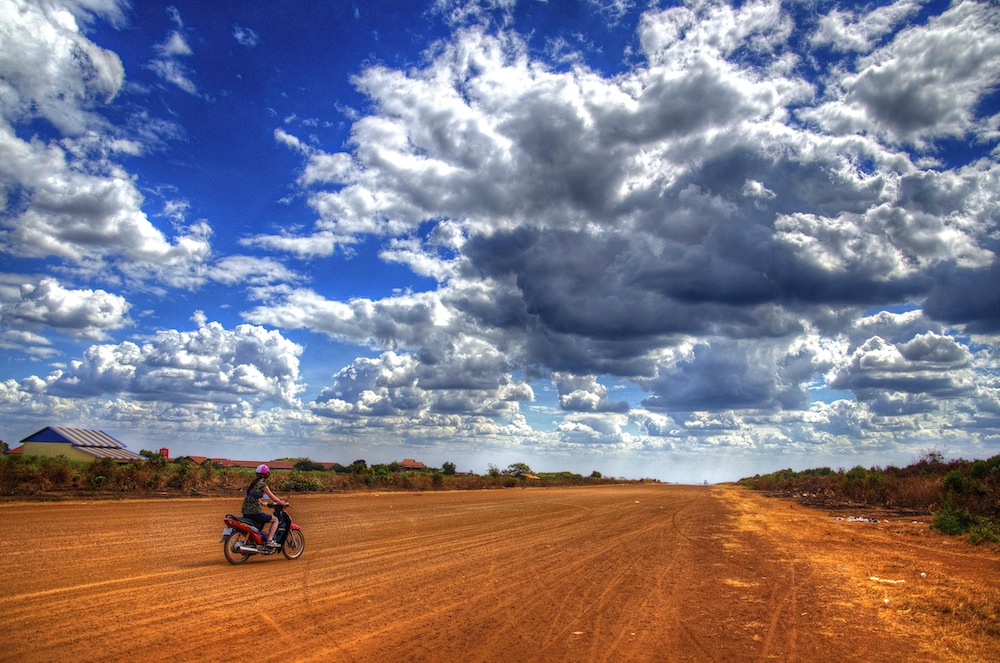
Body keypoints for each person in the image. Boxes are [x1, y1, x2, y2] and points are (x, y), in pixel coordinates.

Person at [242, 464, 287, 547]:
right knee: (275, 520)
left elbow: (252, 496)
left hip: (245, 512)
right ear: (267, 475)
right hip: (254, 512)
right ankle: (270, 540)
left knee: (261, 521)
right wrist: (282, 503)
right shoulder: (263, 485)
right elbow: (272, 497)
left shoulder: (253, 484)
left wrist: (261, 502)